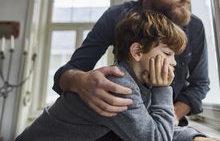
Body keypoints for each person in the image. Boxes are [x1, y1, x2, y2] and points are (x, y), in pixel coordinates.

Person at [53, 0, 211, 137]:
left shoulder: (194, 27)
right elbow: (68, 70)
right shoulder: (116, 15)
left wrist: (171, 116)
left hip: (168, 124)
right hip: (121, 126)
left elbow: (199, 85)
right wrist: (79, 81)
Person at [16, 11, 208, 141]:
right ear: (138, 51)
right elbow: (157, 138)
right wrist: (163, 89)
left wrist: (193, 136)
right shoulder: (118, 86)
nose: (174, 62)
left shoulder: (138, 85)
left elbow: (154, 126)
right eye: (167, 54)